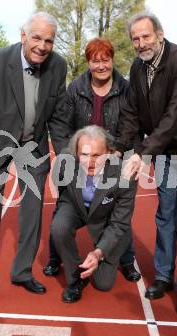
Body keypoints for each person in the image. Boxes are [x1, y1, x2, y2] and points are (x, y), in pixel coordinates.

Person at [116, 12, 177, 316]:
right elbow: (132, 111)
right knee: (165, 215)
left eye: (146, 36)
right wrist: (120, 148)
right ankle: (162, 276)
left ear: (160, 34)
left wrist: (143, 153)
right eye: (135, 38)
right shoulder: (137, 67)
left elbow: (173, 116)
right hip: (165, 152)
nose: (140, 43)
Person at [0, 12, 69, 311]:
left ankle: (22, 271)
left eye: (48, 40)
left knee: (32, 214)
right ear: (23, 35)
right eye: (36, 37)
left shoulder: (58, 65)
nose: (42, 45)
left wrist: (63, 157)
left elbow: (59, 117)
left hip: (33, 146)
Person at [43, 37, 141, 282]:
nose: (101, 66)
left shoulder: (125, 88)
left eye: (105, 60)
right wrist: (68, 155)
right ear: (88, 62)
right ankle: (56, 258)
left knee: (119, 213)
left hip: (114, 154)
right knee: (64, 204)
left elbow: (131, 125)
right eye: (95, 61)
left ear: (112, 60)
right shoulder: (76, 88)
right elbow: (64, 123)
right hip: (82, 157)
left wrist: (116, 152)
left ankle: (126, 260)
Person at [51, 125, 137, 303]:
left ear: (110, 153)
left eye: (97, 155)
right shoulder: (65, 164)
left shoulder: (125, 175)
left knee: (103, 284)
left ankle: (116, 254)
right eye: (84, 154)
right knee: (59, 226)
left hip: (107, 218)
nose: (90, 162)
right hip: (77, 206)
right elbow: (63, 194)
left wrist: (99, 253)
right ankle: (76, 277)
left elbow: (119, 223)